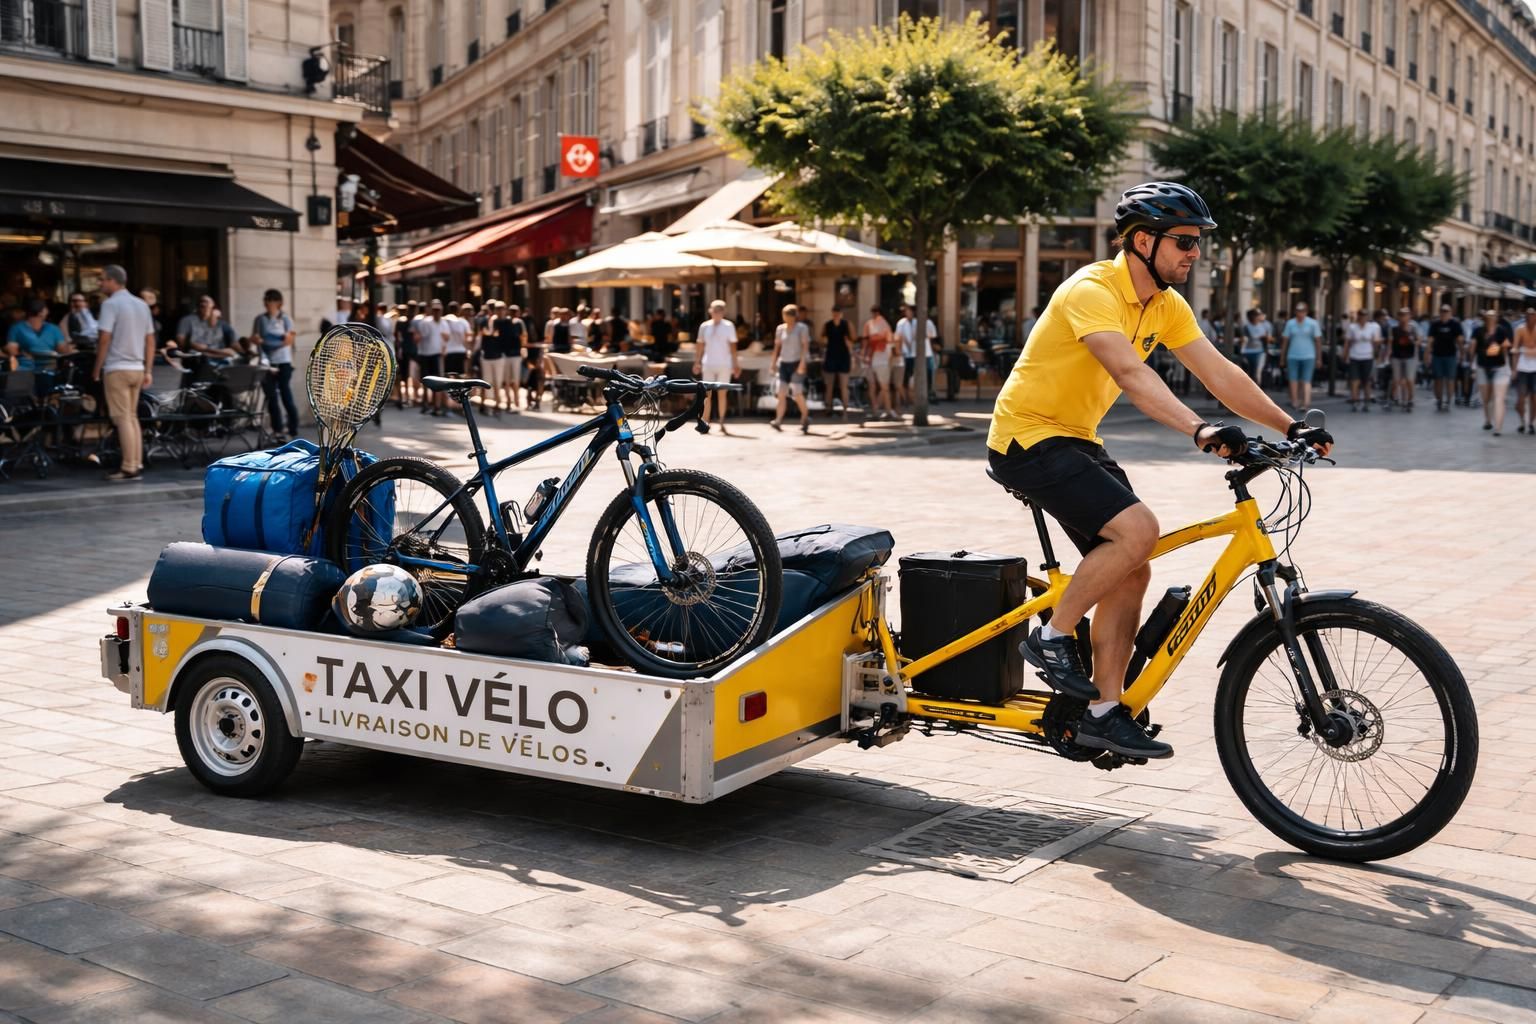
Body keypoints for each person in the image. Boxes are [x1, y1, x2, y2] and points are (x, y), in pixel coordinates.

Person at [989, 181, 1333, 760]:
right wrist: (1199, 429)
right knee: (1138, 531)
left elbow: (1217, 371)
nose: (1193, 253)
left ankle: (1101, 712)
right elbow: (1129, 372)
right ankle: (1049, 637)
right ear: (1142, 241)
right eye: (1183, 241)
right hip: (1027, 437)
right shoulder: (1092, 289)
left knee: (1133, 570)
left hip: (1075, 439)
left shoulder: (1165, 305)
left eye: (1197, 242)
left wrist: (1287, 424)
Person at [92, 265, 156, 482]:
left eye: (102, 279)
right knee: (132, 417)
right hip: (137, 368)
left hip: (117, 368)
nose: (100, 283)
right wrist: (148, 369)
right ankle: (135, 463)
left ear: (112, 281)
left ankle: (129, 467)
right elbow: (150, 340)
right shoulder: (141, 305)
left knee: (122, 419)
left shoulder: (110, 304)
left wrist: (96, 368)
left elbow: (104, 338)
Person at [249, 289, 298, 440]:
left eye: (270, 300)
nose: (267, 303)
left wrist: (266, 341)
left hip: (283, 362)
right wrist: (271, 342)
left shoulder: (285, 319)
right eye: (266, 299)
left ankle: (292, 429)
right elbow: (255, 339)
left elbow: (288, 341)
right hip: (267, 362)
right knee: (271, 397)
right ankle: (278, 429)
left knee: (285, 394)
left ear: (278, 302)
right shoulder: (260, 319)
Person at [692, 299, 740, 433]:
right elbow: (700, 345)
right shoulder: (704, 326)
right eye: (714, 310)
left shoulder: (729, 326)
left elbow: (733, 346)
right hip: (708, 363)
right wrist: (697, 362)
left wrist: (736, 364)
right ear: (710, 311)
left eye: (719, 311)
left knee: (722, 394)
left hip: (724, 363)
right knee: (707, 395)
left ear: (723, 312)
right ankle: (706, 421)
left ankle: (722, 421)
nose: (716, 313)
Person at [5, 298, 73, 379]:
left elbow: (12, 350)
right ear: (41, 312)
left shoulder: (16, 328)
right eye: (46, 309)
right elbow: (62, 350)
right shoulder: (53, 328)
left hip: (26, 371)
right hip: (46, 369)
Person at [770, 303, 812, 433]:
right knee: (781, 393)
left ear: (794, 316)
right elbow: (777, 347)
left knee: (797, 393)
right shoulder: (780, 329)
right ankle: (778, 419)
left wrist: (802, 363)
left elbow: (805, 346)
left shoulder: (802, 328)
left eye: (788, 316)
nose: (786, 318)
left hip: (796, 362)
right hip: (784, 363)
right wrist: (773, 362)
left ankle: (805, 416)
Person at [1471, 309, 1514, 435]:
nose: (1491, 318)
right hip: (1482, 367)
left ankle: (1498, 428)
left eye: (1493, 316)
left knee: (1499, 397)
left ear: (1496, 318)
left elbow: (1507, 346)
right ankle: (1488, 420)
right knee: (1486, 398)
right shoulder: (1478, 330)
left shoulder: (1501, 330)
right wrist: (1472, 366)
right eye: (1489, 316)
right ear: (1485, 318)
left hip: (1499, 367)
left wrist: (1506, 364)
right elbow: (1472, 348)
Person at [1278, 302, 1321, 411]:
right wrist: (1282, 357)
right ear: (1295, 312)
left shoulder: (1313, 323)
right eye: (1298, 311)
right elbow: (1285, 341)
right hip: (1293, 355)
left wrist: (1319, 358)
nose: (1300, 313)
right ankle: (1295, 401)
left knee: (1306, 380)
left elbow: (1318, 341)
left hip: (1309, 355)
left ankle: (1306, 402)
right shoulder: (1290, 323)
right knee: (1293, 379)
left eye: (1302, 311)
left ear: (1306, 312)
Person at [1424, 304, 1465, 412]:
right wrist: (1427, 354)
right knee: (1438, 379)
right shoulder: (1435, 324)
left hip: (1450, 355)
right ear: (1440, 312)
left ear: (1450, 313)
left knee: (1450, 379)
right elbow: (1430, 340)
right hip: (1437, 355)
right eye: (1442, 311)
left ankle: (1448, 401)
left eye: (1446, 312)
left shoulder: (1455, 324)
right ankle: (1439, 400)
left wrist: (1462, 353)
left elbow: (1460, 340)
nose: (1444, 313)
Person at [176, 295, 240, 361]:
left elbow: (234, 341)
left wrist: (244, 351)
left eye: (206, 302)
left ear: (213, 306)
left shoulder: (222, 323)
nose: (203, 304)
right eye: (201, 302)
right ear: (197, 306)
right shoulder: (187, 320)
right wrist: (193, 345)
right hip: (197, 356)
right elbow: (181, 341)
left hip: (219, 355)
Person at [861, 305, 897, 421]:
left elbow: (889, 343)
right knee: (880, 386)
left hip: (877, 358)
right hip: (877, 358)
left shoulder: (882, 325)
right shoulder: (877, 324)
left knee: (879, 386)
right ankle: (883, 410)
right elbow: (866, 341)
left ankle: (882, 409)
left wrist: (864, 356)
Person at [1343, 309, 1380, 412]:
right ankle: (1355, 401)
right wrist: (1345, 355)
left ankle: (1366, 401)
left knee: (1366, 381)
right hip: (1354, 356)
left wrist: (1376, 353)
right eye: (1361, 316)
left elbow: (1376, 342)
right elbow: (1347, 341)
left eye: (1365, 316)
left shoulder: (1373, 327)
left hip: (1367, 356)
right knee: (1355, 380)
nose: (1363, 318)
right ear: (1358, 317)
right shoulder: (1352, 327)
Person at [820, 306, 854, 417]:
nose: (836, 315)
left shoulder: (847, 324)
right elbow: (822, 339)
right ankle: (828, 408)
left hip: (844, 356)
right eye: (834, 313)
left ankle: (845, 410)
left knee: (844, 385)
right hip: (831, 356)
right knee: (829, 385)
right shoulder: (827, 325)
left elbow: (853, 338)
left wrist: (849, 344)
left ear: (841, 313)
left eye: (838, 313)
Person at [416, 300, 448, 415]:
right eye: (434, 310)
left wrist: (444, 348)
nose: (437, 313)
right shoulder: (425, 322)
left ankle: (436, 405)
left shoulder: (444, 323)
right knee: (425, 381)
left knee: (437, 380)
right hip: (425, 354)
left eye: (439, 311)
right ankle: (425, 403)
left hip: (436, 354)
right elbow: (418, 336)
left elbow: (447, 337)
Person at [1386, 307, 1420, 412]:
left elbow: (1419, 341)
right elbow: (1390, 343)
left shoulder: (1413, 328)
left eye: (1405, 315)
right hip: (1397, 356)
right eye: (1401, 315)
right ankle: (1395, 398)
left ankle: (1410, 400)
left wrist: (1413, 341)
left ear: (1409, 316)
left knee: (1409, 379)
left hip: (1410, 356)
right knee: (1396, 380)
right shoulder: (1393, 328)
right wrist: (1388, 354)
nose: (1403, 317)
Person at [1513, 307, 1536, 434]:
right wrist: (1514, 369)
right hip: (1522, 368)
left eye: (1533, 315)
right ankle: (1522, 421)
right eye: (1528, 315)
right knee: (1520, 400)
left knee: (1535, 398)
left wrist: (1525, 350)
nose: (1530, 317)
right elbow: (1515, 350)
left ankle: (1531, 423)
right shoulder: (1520, 329)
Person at [524, 304, 547, 411]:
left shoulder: (537, 324)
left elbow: (542, 340)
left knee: (539, 379)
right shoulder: (525, 322)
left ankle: (537, 400)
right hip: (529, 355)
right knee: (530, 381)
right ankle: (531, 400)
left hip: (537, 354)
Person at [1238, 309, 1270, 385]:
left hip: (1259, 351)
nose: (1258, 317)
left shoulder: (1263, 326)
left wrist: (1266, 339)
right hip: (1247, 352)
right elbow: (1246, 337)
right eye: (1256, 315)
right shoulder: (1246, 326)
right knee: (1249, 372)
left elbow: (1267, 338)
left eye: (1258, 315)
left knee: (1256, 372)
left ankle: (1256, 389)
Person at [445, 302, 472, 378]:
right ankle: (459, 390)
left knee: (449, 376)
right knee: (460, 376)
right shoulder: (463, 322)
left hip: (448, 352)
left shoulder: (443, 321)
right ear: (459, 310)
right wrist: (468, 350)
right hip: (460, 351)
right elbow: (468, 337)